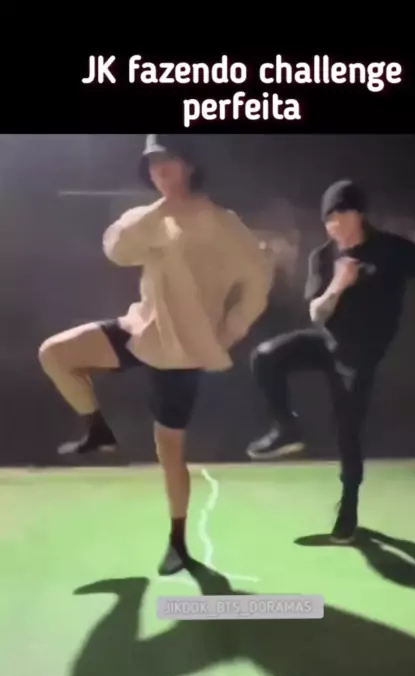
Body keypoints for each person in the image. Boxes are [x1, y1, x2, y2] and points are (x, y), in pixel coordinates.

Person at [39, 135, 272, 574]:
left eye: (168, 161)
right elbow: (117, 250)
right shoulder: (149, 217)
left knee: (169, 453)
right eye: (152, 164)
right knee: (55, 354)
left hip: (183, 351)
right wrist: (156, 215)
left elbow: (257, 280)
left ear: (189, 165)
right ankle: (97, 429)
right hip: (141, 329)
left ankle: (178, 543)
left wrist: (227, 333)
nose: (159, 170)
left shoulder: (223, 225)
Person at [247, 179, 415, 544]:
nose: (337, 225)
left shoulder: (390, 249)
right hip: (328, 341)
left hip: (360, 356)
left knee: (347, 430)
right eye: (330, 219)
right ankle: (287, 427)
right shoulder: (323, 257)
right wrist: (339, 284)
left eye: (344, 215)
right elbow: (316, 313)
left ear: (360, 215)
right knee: (265, 357)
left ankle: (348, 504)